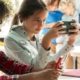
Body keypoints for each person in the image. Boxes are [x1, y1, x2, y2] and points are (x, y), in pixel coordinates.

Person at [0, 0, 60, 80]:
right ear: (23, 17)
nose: (0, 30)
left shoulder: (37, 37)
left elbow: (13, 67)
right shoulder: (11, 39)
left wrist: (43, 69)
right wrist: (46, 41)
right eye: (37, 20)